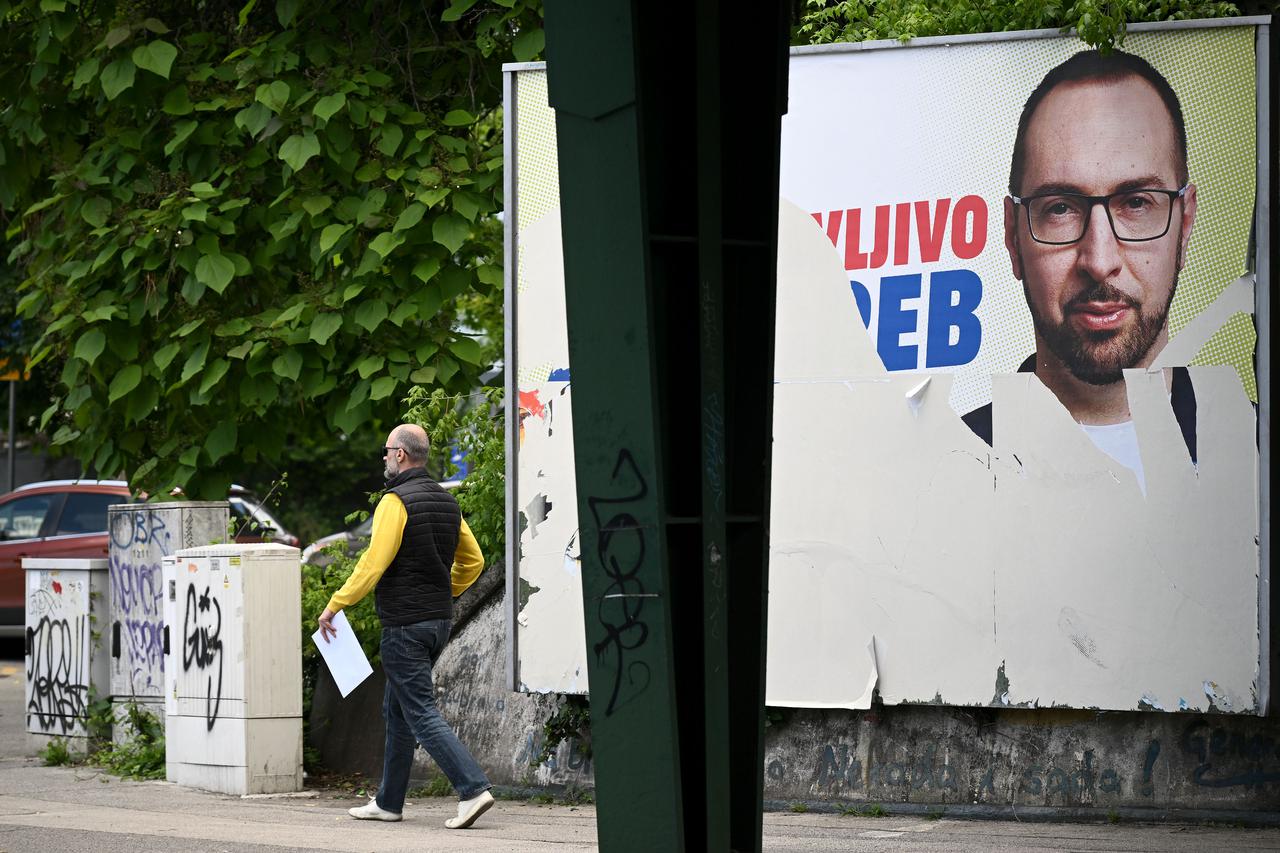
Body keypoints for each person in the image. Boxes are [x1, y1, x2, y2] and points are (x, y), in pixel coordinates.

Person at [962, 49, 1200, 489]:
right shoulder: (944, 475)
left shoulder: (1259, 455)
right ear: (1013, 237)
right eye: (1060, 209)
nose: (1100, 260)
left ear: (1184, 225)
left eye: (1135, 203)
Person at [317, 423, 493, 830]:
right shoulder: (448, 502)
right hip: (437, 623)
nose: (383, 457)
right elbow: (475, 562)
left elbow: (372, 564)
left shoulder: (395, 501)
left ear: (400, 454)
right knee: (396, 710)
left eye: (386, 450)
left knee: (419, 711)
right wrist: (442, 592)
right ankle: (389, 801)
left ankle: (472, 789)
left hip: (404, 626)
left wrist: (335, 605)